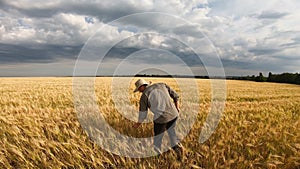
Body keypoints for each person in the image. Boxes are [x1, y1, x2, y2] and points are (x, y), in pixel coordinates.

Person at [132, 79, 183, 159]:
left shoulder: (144, 96)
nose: (139, 91)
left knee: (157, 139)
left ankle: (158, 158)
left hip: (161, 119)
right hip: (174, 115)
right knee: (172, 133)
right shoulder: (162, 85)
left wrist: (137, 124)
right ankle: (179, 151)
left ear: (142, 86)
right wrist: (177, 108)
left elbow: (143, 114)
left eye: (139, 89)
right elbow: (176, 96)